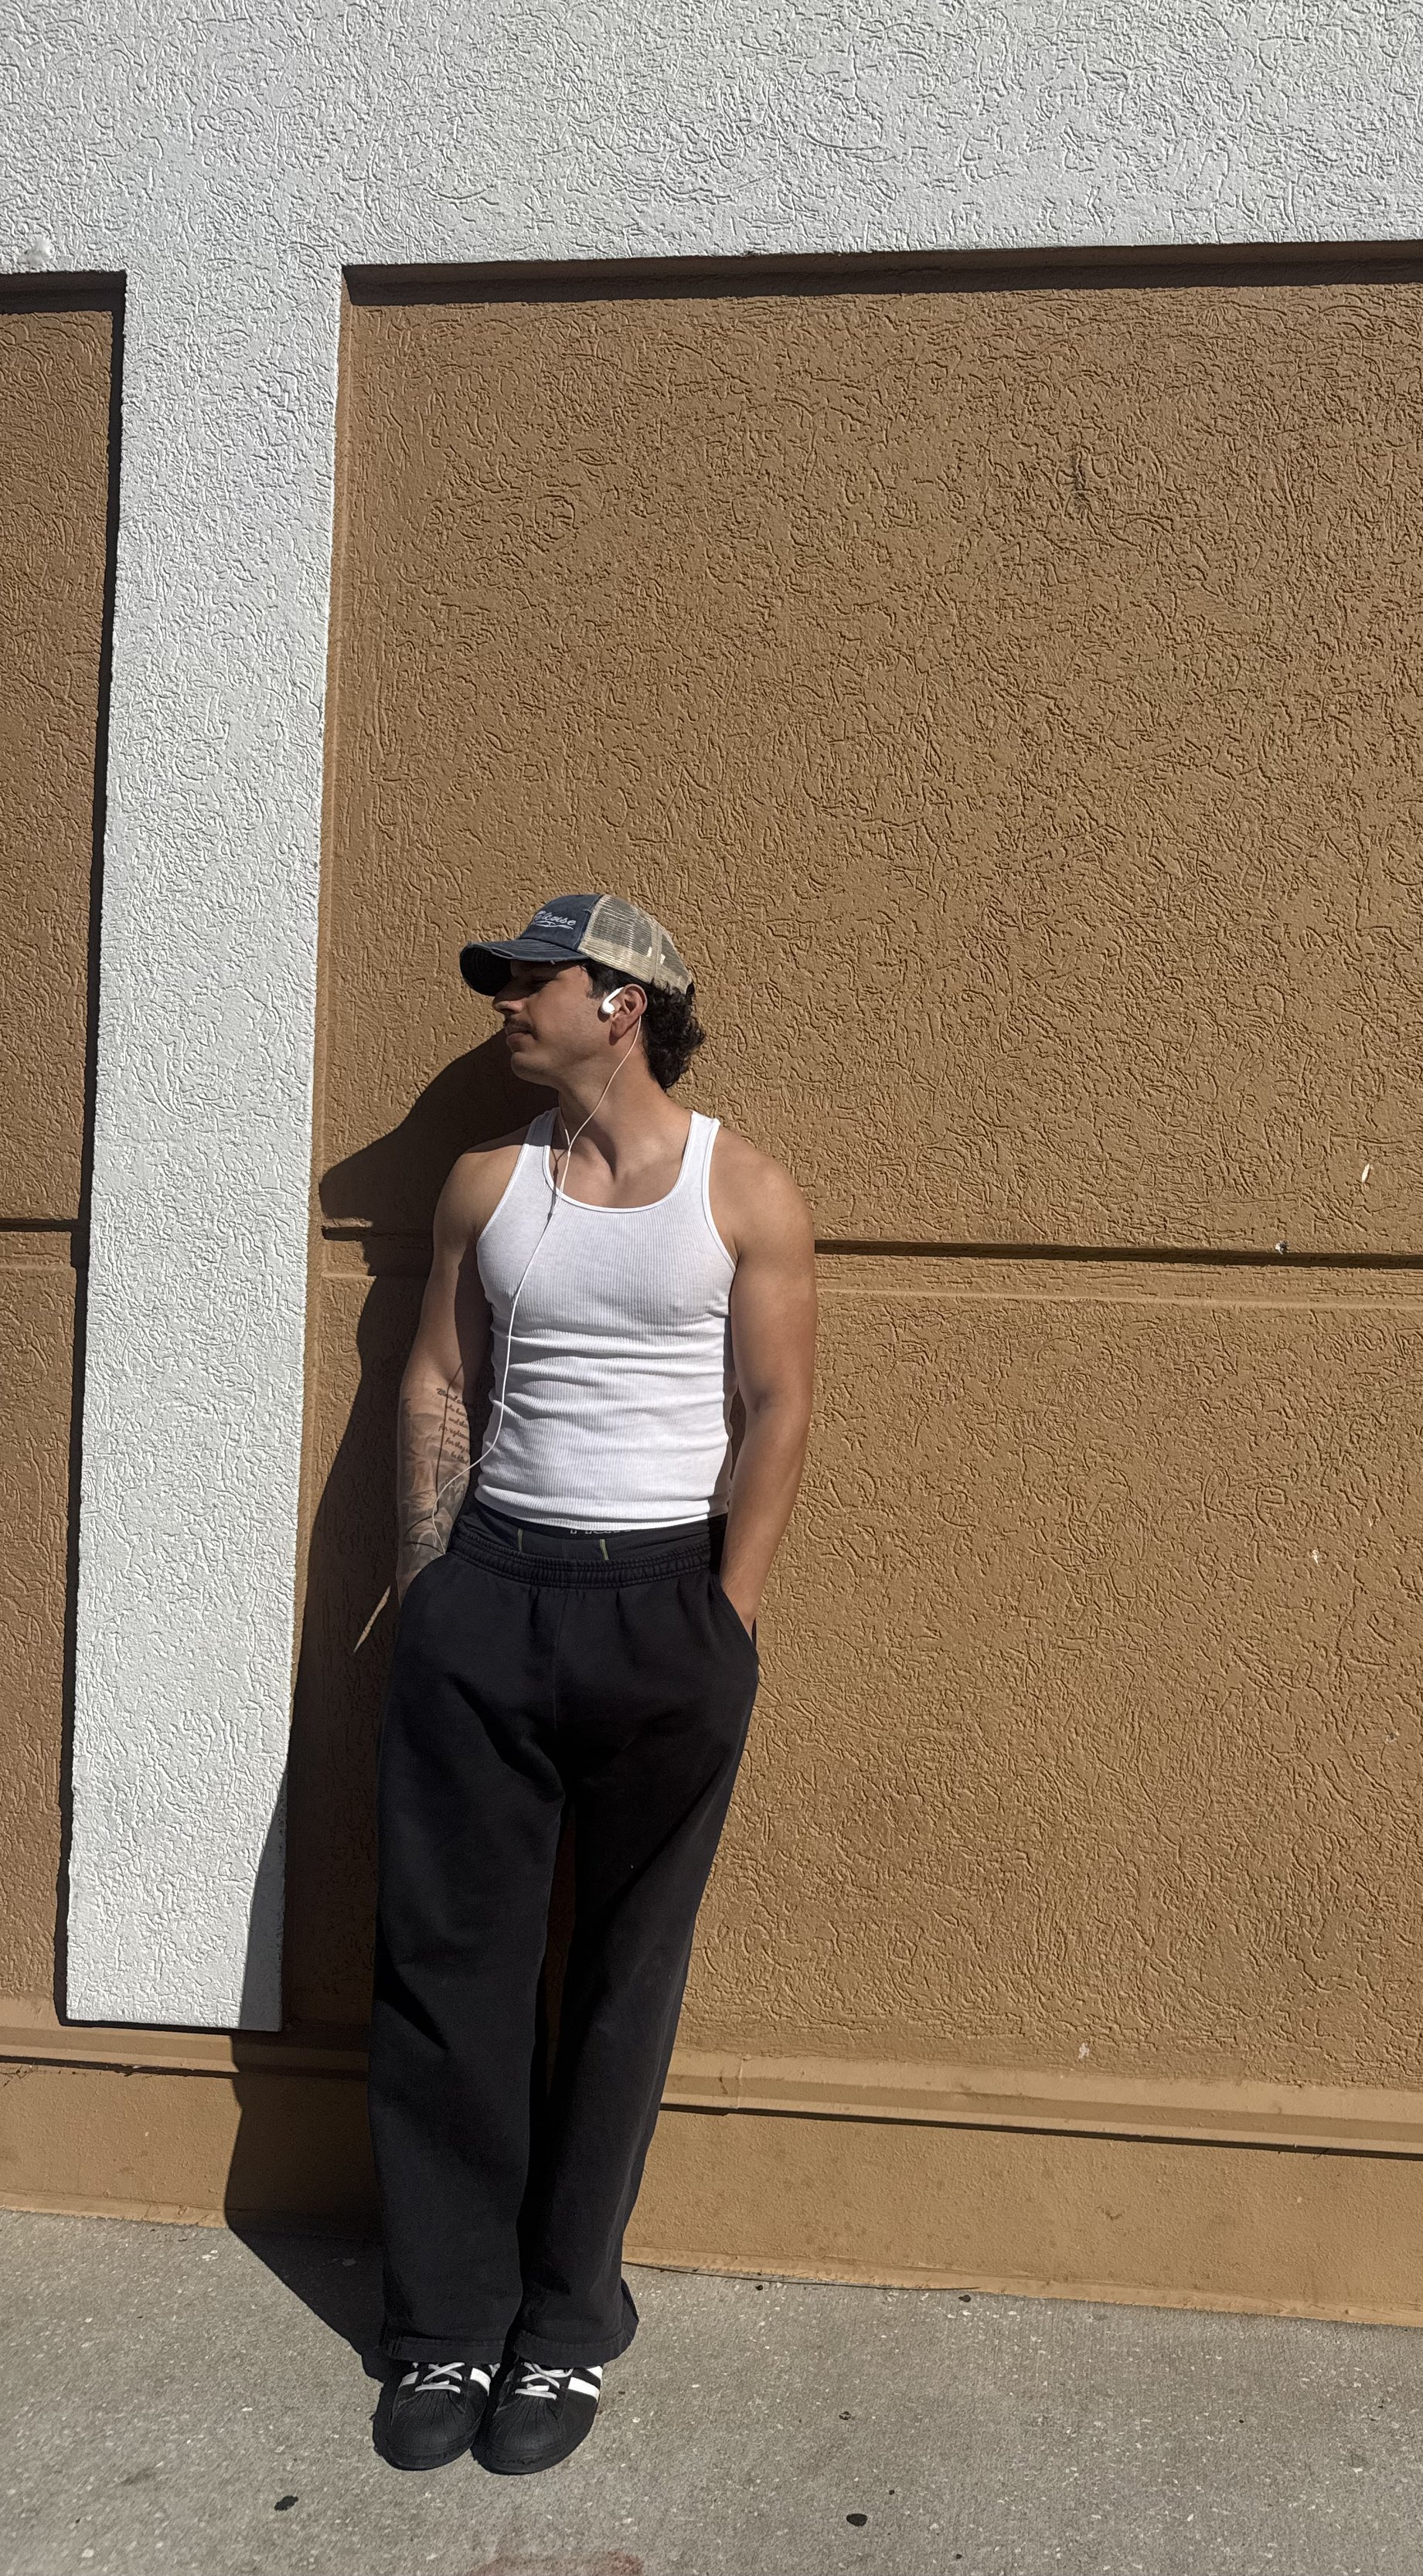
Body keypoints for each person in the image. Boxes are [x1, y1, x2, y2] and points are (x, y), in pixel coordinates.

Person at [366, 893, 816, 2476]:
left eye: (528, 978)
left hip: (661, 1605)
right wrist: (434, 1585)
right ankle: (446, 2316)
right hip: (488, 1588)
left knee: (622, 1977)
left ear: (622, 1001)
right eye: (498, 979)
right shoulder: (486, 1182)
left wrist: (724, 1621)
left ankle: (562, 2325)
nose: (503, 1000)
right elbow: (439, 1372)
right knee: (450, 1964)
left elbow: (778, 1406)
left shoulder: (743, 1190)